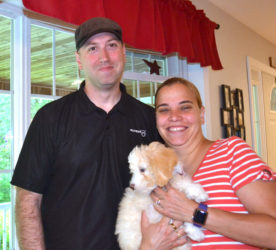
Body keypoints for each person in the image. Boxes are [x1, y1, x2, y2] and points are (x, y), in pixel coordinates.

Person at [11, 17, 163, 250]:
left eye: (112, 45)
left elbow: (164, 191)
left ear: (123, 52)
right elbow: (27, 202)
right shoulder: (50, 118)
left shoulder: (148, 119)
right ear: (78, 59)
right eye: (92, 48)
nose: (104, 56)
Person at [140, 77, 276, 249]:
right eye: (164, 110)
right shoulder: (154, 174)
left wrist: (195, 213)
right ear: (156, 119)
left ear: (201, 114)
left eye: (185, 107)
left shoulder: (232, 153)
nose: (174, 117)